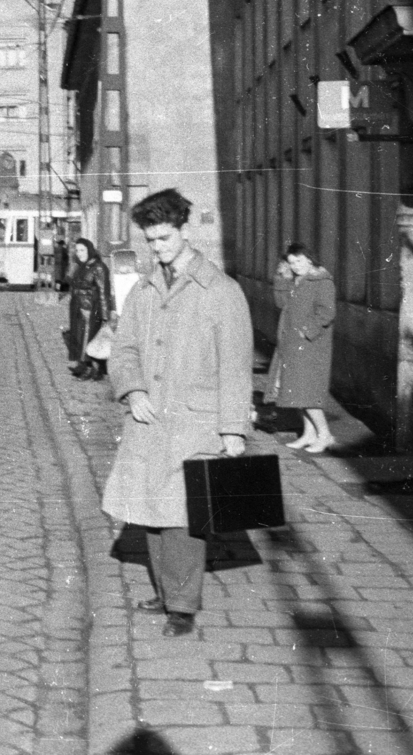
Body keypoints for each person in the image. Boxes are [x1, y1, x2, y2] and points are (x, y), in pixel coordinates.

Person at [101, 188, 252, 638]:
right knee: (148, 510)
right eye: (150, 241)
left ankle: (182, 607)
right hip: (148, 418)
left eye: (164, 238)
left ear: (185, 231)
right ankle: (167, 592)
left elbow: (236, 366)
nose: (157, 248)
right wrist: (133, 389)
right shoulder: (144, 290)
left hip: (196, 420)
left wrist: (233, 429)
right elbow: (122, 348)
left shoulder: (222, 291)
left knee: (184, 516)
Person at [273, 244, 338, 453]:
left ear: (310, 260)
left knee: (308, 393)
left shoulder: (322, 281)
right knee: (298, 393)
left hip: (311, 346)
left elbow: (327, 312)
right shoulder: (295, 281)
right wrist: (282, 278)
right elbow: (281, 303)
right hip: (292, 344)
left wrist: (307, 332)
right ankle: (309, 434)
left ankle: (325, 435)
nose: (295, 266)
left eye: (299, 261)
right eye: (291, 263)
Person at [67, 238, 112, 380]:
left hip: (91, 308)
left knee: (88, 337)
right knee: (78, 337)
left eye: (82, 250)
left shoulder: (98, 267)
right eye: (77, 250)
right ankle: (83, 364)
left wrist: (105, 316)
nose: (79, 253)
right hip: (77, 307)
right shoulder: (80, 266)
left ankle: (91, 368)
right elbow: (69, 281)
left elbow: (104, 292)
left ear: (90, 250)